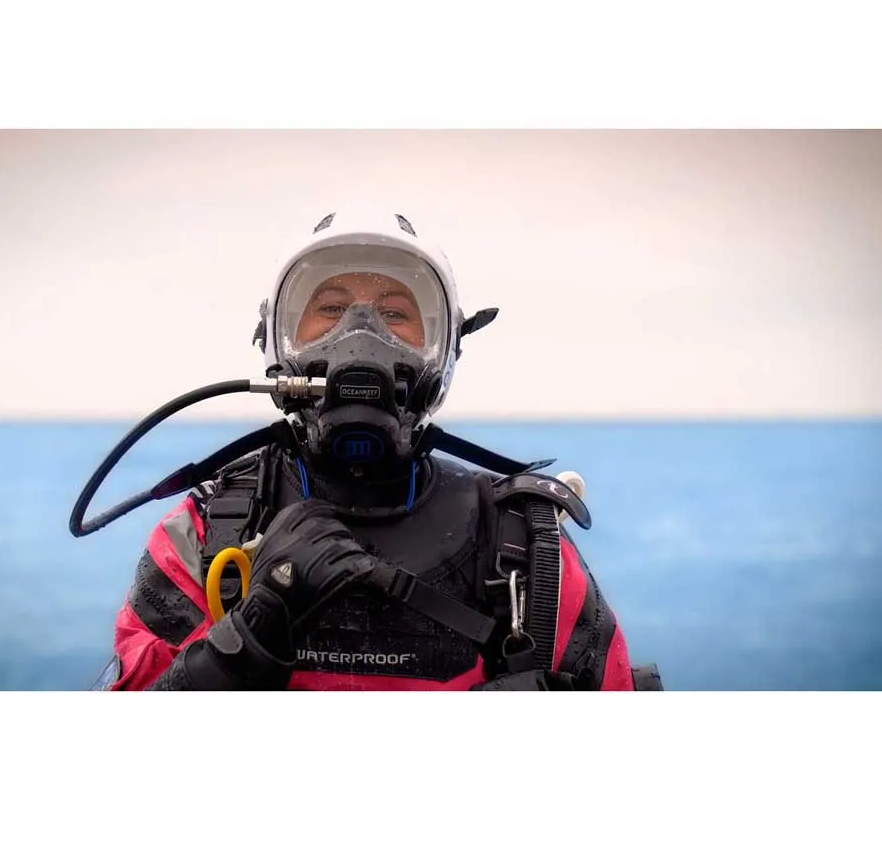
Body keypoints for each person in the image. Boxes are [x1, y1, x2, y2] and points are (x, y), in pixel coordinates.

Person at [94, 210, 662, 691]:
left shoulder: (523, 548)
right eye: (329, 310)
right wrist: (246, 638)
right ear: (278, 342)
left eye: (394, 314)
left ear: (444, 348)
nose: (360, 336)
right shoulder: (206, 534)